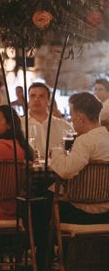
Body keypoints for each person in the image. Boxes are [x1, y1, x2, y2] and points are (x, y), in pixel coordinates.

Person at [50, 92, 109, 223]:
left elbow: (66, 170)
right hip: (106, 210)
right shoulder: (106, 137)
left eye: (71, 116)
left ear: (81, 118)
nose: (71, 120)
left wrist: (56, 152)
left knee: (41, 200)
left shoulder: (85, 140)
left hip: (81, 211)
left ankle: (45, 243)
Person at [23, 82, 73, 159]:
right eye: (32, 96)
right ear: (28, 100)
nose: (36, 99)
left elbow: (72, 152)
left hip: (57, 169)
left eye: (41, 96)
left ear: (49, 101)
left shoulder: (64, 126)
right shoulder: (20, 125)